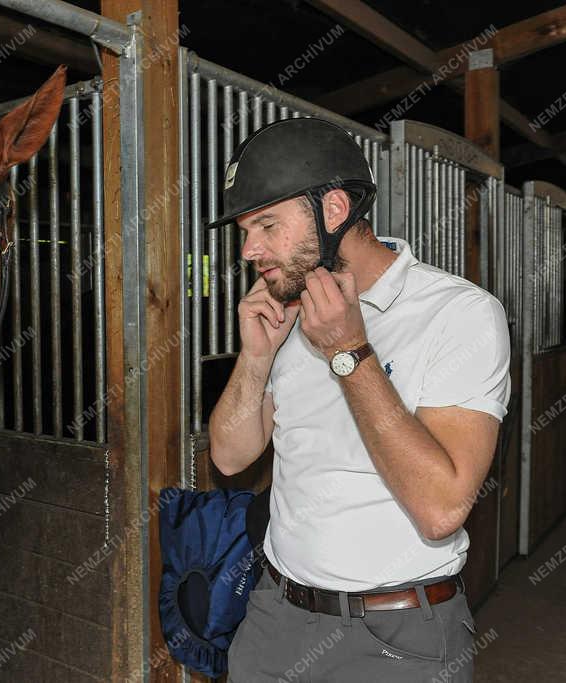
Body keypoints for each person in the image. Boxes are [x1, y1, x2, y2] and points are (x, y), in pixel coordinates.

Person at [207, 118, 510, 682]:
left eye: (268, 225)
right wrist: (254, 358)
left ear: (335, 209)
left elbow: (442, 508)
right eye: (245, 230)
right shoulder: (289, 308)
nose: (250, 250)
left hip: (399, 636)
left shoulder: (460, 314)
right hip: (275, 616)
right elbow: (228, 456)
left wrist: (348, 350)